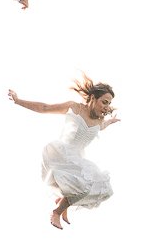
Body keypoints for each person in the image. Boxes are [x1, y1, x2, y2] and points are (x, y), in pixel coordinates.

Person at [8, 76, 119, 229]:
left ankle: (63, 203)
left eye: (109, 104)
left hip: (78, 159)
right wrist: (18, 100)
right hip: (61, 154)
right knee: (84, 186)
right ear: (93, 98)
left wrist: (110, 121)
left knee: (105, 189)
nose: (107, 107)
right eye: (104, 102)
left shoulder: (99, 121)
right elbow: (44, 108)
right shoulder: (74, 108)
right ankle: (57, 212)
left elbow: (102, 126)